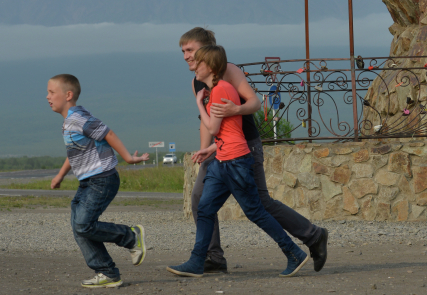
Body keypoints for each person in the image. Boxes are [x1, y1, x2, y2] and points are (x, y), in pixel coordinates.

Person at [179, 27, 328, 274]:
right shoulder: (197, 81)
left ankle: (312, 236)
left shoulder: (229, 71)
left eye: (190, 50)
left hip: (244, 146)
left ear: (206, 51)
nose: (185, 55)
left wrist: (234, 111)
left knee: (260, 204)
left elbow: (255, 102)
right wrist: (205, 150)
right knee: (199, 199)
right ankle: (212, 256)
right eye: (183, 51)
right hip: (219, 148)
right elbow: (206, 119)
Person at [47, 74, 149, 289]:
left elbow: (107, 133)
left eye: (51, 92)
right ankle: (107, 272)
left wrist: (128, 158)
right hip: (88, 182)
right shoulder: (69, 122)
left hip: (102, 179)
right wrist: (60, 175)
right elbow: (75, 152)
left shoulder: (78, 118)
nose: (47, 97)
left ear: (68, 95)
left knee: (83, 225)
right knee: (79, 227)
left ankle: (130, 236)